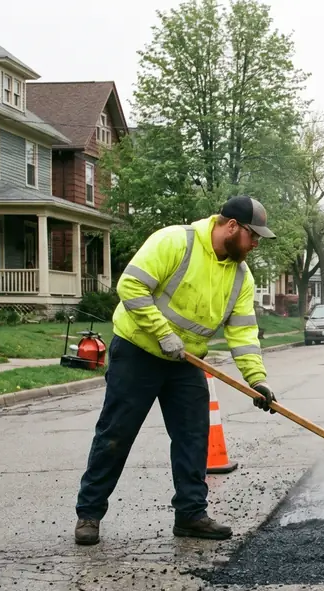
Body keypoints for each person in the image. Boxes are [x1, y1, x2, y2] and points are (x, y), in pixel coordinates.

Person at [74, 196, 277, 546]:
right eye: (253, 235)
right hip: (137, 351)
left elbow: (243, 332)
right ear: (232, 226)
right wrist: (162, 333)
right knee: (115, 433)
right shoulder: (175, 241)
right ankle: (89, 513)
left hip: (186, 362)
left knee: (193, 437)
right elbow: (130, 286)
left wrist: (256, 380)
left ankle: (191, 514)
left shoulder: (240, 276)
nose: (256, 244)